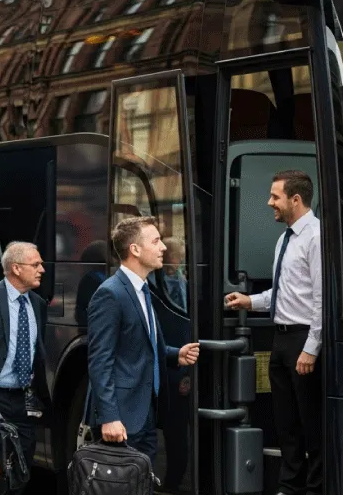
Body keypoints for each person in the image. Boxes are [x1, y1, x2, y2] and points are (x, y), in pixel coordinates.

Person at [225, 170, 322, 495]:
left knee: (311, 423)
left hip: (302, 339)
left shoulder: (316, 237)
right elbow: (283, 293)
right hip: (281, 340)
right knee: (286, 422)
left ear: (296, 199)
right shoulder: (285, 238)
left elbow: (322, 299)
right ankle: (289, 486)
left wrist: (311, 348)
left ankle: (314, 488)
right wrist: (249, 301)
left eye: (275, 196)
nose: (269, 203)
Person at [86, 216, 199, 464]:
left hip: (144, 414)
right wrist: (109, 417)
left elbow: (141, 344)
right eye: (156, 241)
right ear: (135, 250)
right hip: (122, 419)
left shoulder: (142, 289)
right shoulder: (110, 294)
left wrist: (173, 354)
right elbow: (100, 360)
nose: (164, 247)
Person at [0, 242, 52, 494]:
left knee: (22, 466)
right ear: (16, 268)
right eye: (36, 264)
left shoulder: (37, 303)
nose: (42, 269)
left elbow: (38, 353)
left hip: (23, 399)